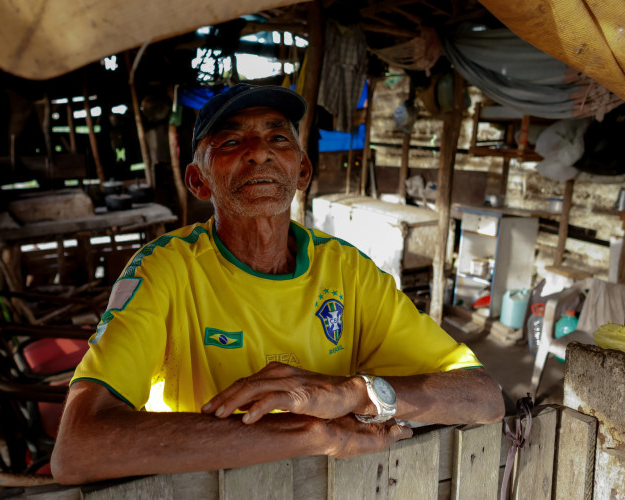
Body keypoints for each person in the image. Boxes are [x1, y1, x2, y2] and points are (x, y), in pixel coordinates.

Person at [51, 84, 504, 485]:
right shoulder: (164, 270)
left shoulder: (347, 270)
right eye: (231, 140)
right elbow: (78, 447)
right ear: (198, 180)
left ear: (302, 171)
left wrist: (358, 392)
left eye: (277, 138)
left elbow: (484, 397)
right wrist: (314, 431)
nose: (259, 151)